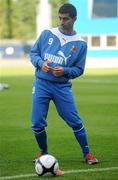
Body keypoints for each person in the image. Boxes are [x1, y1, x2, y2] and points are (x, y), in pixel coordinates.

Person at [30, 3, 98, 176]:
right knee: (37, 123)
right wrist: (40, 63)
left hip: (62, 88)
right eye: (59, 18)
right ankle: (43, 152)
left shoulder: (80, 44)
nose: (61, 21)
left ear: (74, 19)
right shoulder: (47, 34)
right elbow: (33, 53)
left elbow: (79, 70)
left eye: (65, 18)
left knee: (74, 121)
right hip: (41, 84)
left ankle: (87, 153)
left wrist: (65, 71)